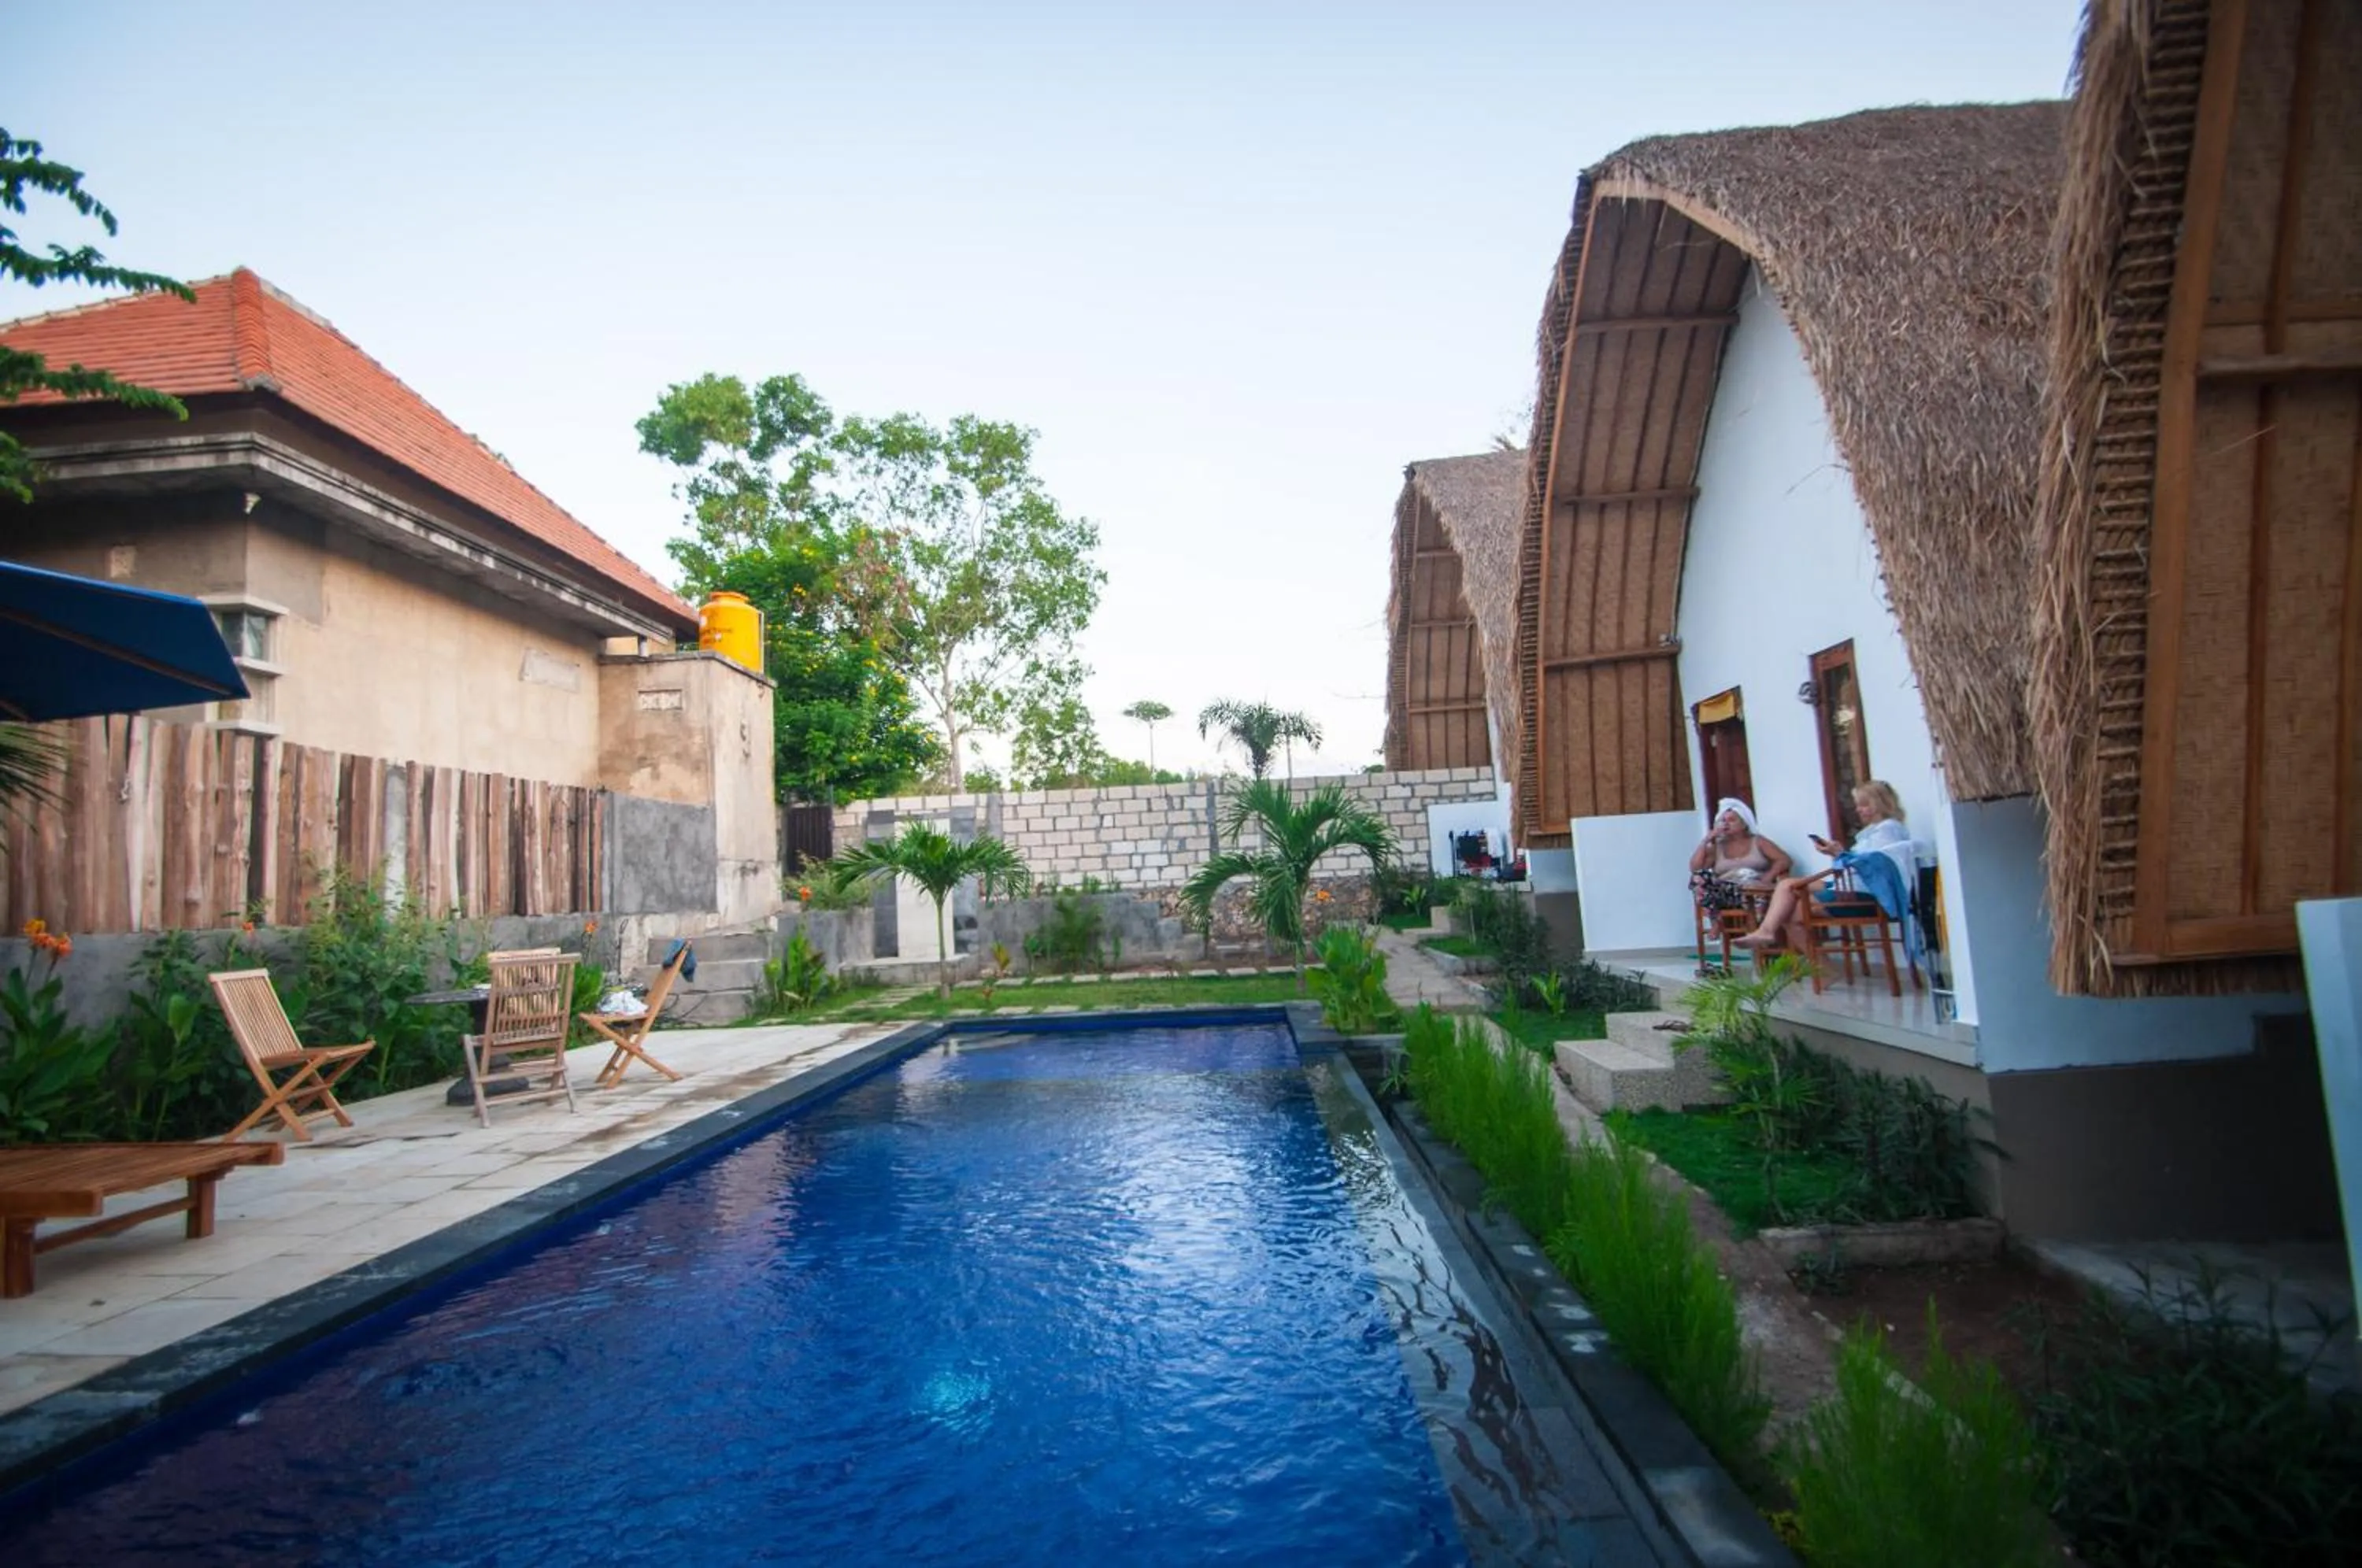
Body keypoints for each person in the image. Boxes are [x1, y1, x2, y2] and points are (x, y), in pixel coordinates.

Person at [1734, 781, 1909, 952]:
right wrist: (1837, 854)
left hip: (1865, 893)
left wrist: (1840, 855)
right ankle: (1766, 931)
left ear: (1878, 804)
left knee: (1789, 914)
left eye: (1863, 805)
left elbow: (1876, 865)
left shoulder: (1888, 830)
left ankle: (1820, 969)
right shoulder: (1870, 833)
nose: (1858, 810)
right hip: (1850, 886)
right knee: (1786, 886)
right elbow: (1861, 862)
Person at [1688, 799, 1792, 915]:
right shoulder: (1717, 846)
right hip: (1729, 893)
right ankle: (1715, 921)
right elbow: (1696, 869)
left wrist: (1768, 877)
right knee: (1698, 877)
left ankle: (1758, 929)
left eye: (1731, 820)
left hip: (1756, 889)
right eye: (1723, 820)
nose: (1726, 824)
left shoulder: (1758, 841)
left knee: (1756, 891)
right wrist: (1706, 841)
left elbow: (1784, 860)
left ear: (1744, 824)